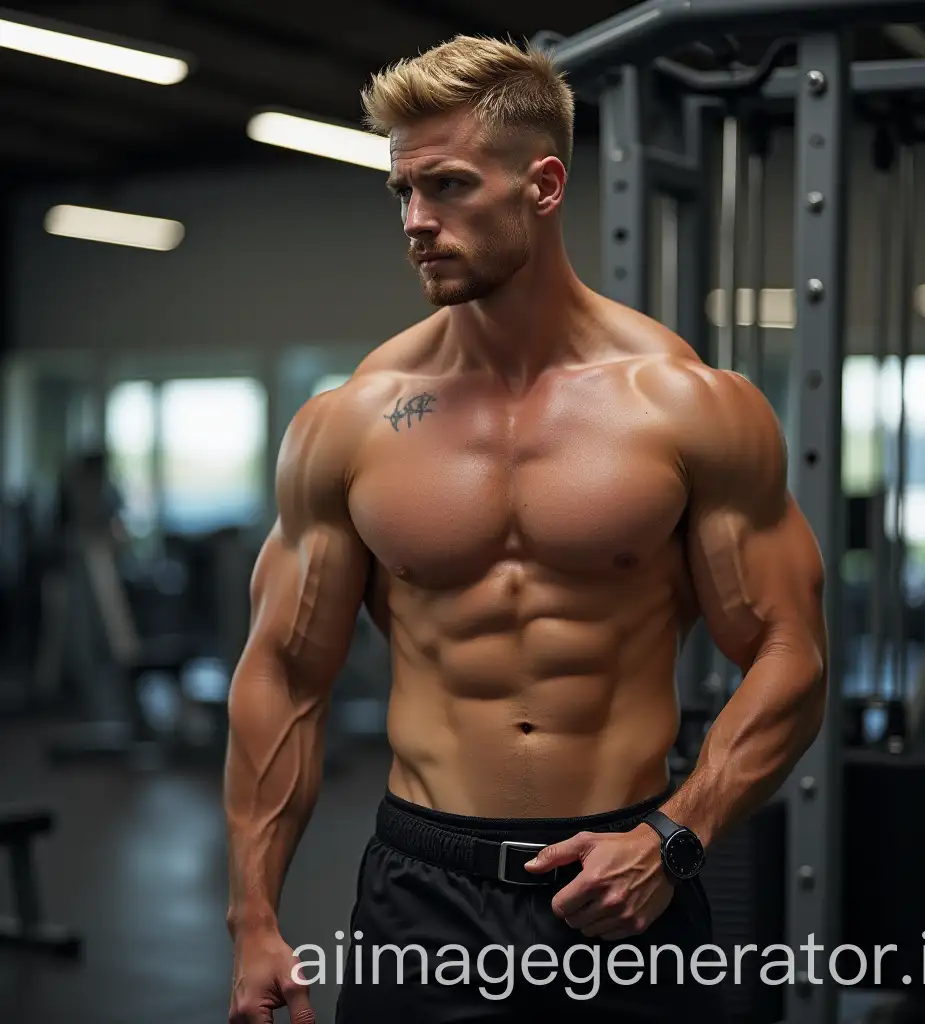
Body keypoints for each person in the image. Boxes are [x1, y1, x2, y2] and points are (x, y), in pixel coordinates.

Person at [224, 35, 827, 1024]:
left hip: (627, 881)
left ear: (541, 186)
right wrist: (253, 917)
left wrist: (676, 837)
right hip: (421, 891)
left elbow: (788, 650)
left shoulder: (685, 406)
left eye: (449, 187)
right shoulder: (351, 421)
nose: (416, 221)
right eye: (401, 192)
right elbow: (285, 675)